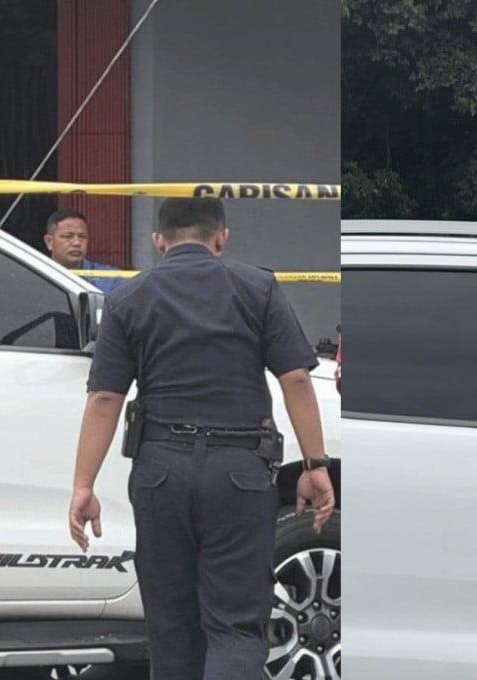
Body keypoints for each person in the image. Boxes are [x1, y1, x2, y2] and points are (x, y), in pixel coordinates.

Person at [67, 197, 335, 680]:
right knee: (233, 627)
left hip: (160, 474)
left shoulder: (129, 298)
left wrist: (83, 486)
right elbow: (295, 378)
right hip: (239, 476)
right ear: (222, 237)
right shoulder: (259, 289)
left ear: (158, 241)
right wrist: (315, 465)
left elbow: (105, 398)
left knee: (170, 629)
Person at [43, 208, 124, 292]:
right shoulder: (37, 274)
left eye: (82, 236)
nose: (77, 243)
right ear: (49, 242)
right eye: (68, 236)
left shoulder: (110, 277)